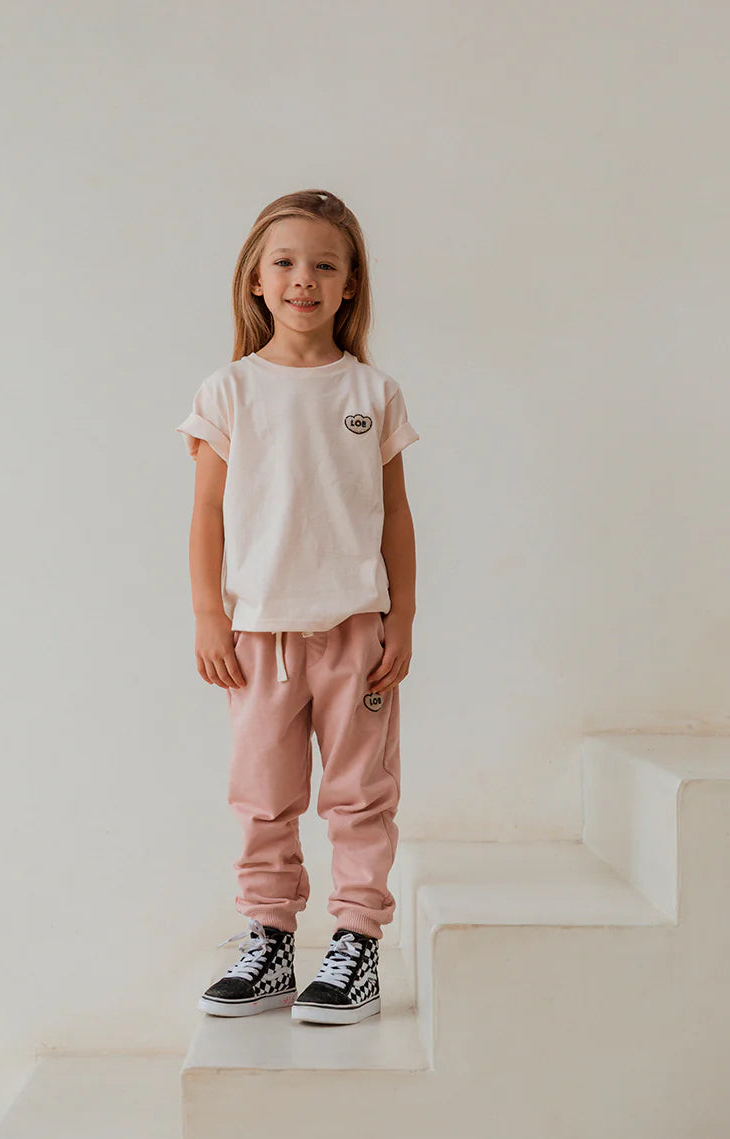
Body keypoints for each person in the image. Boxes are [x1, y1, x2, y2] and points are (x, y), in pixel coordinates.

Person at [175, 189, 419, 1026]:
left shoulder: (372, 391)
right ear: (255, 278)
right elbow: (207, 511)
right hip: (258, 636)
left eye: (324, 264)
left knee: (360, 795)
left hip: (356, 632)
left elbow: (396, 514)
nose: (303, 279)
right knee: (263, 795)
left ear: (350, 284)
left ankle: (356, 945)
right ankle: (271, 940)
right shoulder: (229, 390)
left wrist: (402, 617)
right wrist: (209, 614)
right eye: (284, 262)